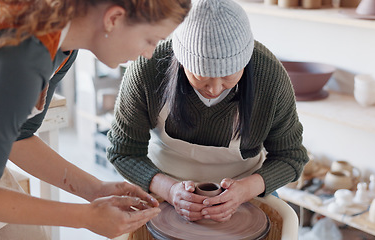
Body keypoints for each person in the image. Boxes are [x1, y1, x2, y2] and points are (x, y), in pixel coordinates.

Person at [0, 0, 190, 239]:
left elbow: (16, 137)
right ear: (113, 19)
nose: (148, 55)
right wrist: (86, 218)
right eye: (151, 41)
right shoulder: (22, 60)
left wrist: (96, 190)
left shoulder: (62, 44)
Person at [107, 0, 308, 223]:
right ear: (182, 62)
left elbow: (291, 157)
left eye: (228, 76)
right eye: (200, 77)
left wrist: (244, 190)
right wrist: (170, 190)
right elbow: (123, 151)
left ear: (246, 60)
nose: (214, 88)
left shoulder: (270, 77)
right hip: (163, 187)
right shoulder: (148, 68)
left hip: (244, 193)